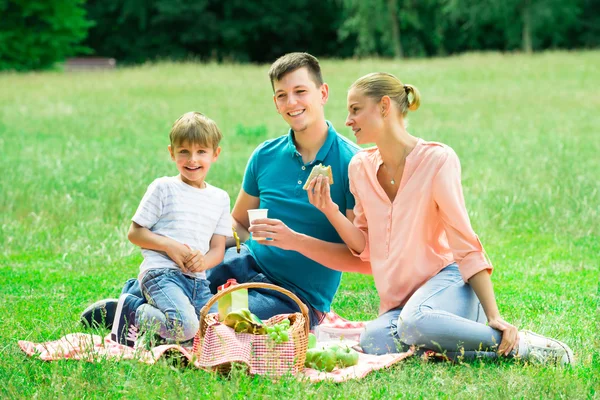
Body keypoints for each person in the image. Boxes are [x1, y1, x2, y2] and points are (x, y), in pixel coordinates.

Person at [81, 53, 370, 343]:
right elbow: (239, 224)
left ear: (323, 93)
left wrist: (293, 239)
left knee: (214, 326)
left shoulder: (352, 164)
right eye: (282, 95)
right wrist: (195, 246)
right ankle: (140, 298)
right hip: (245, 262)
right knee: (183, 281)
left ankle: (131, 308)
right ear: (275, 103)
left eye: (300, 92)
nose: (291, 103)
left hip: (296, 293)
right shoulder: (266, 155)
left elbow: (359, 256)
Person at [304, 72, 574, 365]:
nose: (347, 120)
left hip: (449, 286)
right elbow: (365, 246)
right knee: (373, 340)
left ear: (384, 106)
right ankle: (468, 349)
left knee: (413, 324)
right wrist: (329, 209)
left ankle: (519, 343)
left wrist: (495, 315)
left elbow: (465, 242)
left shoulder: (437, 160)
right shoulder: (360, 168)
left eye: (356, 109)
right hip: (401, 306)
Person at [110, 111, 231, 347]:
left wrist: (203, 263)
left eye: (201, 152)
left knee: (217, 334)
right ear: (171, 152)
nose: (192, 160)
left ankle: (157, 331)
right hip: (162, 274)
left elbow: (217, 249)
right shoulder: (164, 187)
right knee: (184, 326)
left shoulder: (220, 198)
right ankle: (132, 310)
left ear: (215, 154)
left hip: (197, 281)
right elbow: (135, 233)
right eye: (184, 151)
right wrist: (170, 246)